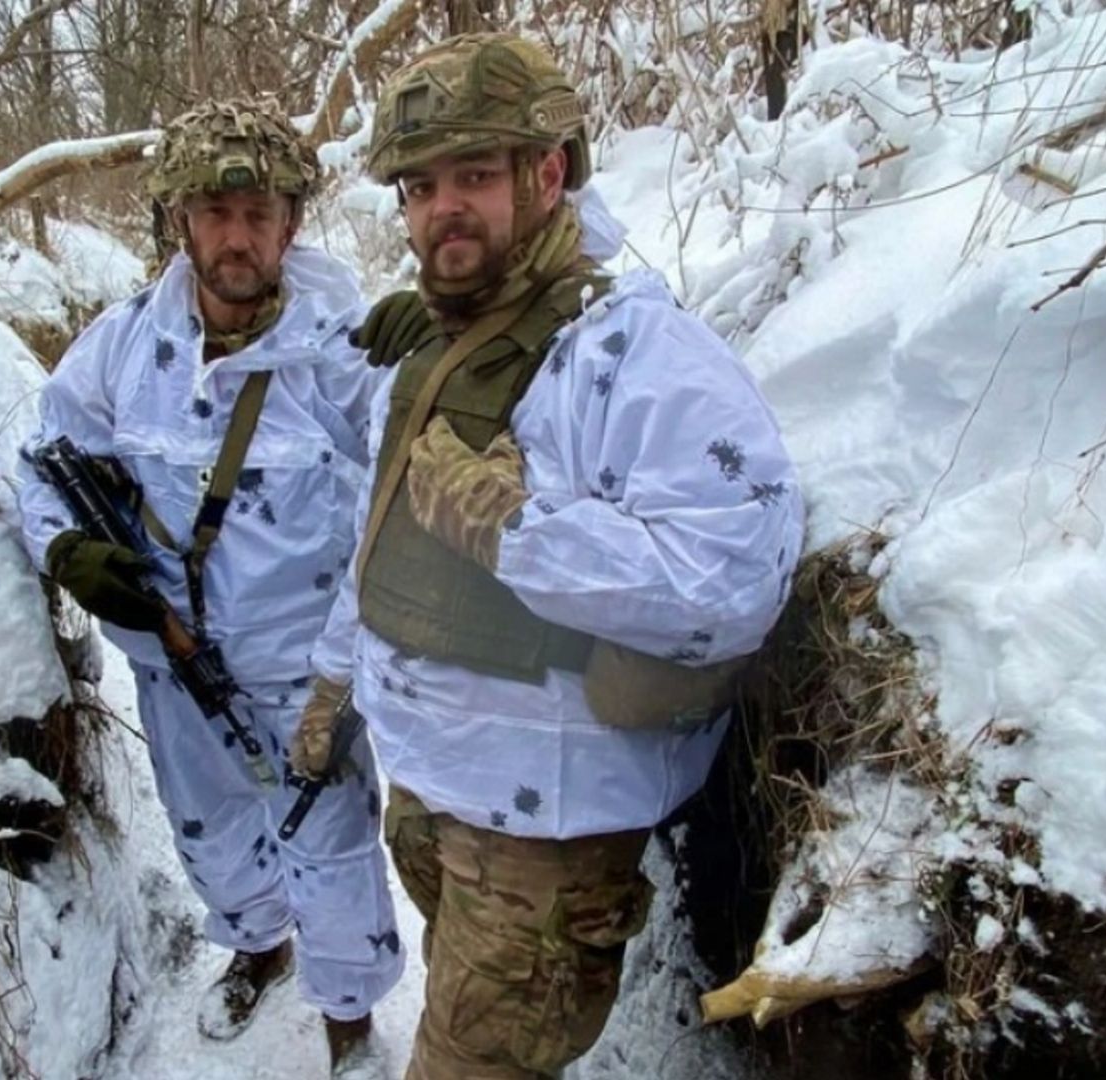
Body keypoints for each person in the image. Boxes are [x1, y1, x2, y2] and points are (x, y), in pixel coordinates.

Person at [295, 34, 805, 1080]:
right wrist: (334, 678)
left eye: (475, 176)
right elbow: (383, 533)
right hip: (434, 798)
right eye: (421, 185)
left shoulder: (631, 351)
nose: (444, 208)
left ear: (549, 172)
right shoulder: (446, 338)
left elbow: (732, 583)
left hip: (540, 841)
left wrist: (512, 527)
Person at [16, 99, 401, 1079]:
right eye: (214, 211)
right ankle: (257, 946)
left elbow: (392, 519)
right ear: (180, 219)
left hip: (309, 667)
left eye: (258, 212)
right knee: (214, 828)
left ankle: (348, 1015)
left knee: (331, 837)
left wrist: (342, 671)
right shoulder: (123, 350)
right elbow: (40, 462)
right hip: (172, 666)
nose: (236, 236)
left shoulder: (344, 355)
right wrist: (68, 550)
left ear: (291, 223)